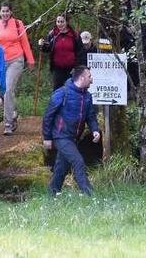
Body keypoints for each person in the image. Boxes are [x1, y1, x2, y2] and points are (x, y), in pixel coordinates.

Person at [42, 66, 101, 196]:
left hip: (74, 137)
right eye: (89, 76)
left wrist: (95, 130)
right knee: (78, 161)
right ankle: (90, 195)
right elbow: (48, 116)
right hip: (60, 136)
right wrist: (47, 138)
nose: (92, 79)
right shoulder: (62, 93)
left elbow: (90, 116)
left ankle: (52, 195)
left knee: (61, 168)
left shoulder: (87, 96)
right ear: (82, 78)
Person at [0, 2, 35, 135]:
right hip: (0, 62)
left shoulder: (17, 24)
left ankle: (8, 124)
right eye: (3, 11)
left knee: (8, 89)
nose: (5, 14)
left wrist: (30, 60)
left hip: (16, 59)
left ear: (11, 12)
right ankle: (13, 113)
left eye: (7, 11)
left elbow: (25, 42)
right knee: (2, 90)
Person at [38, 14, 82, 92]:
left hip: (71, 68)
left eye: (62, 22)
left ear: (67, 22)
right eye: (58, 21)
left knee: (71, 90)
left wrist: (76, 67)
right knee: (57, 91)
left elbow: (80, 52)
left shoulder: (74, 35)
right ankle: (57, 104)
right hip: (57, 68)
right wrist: (42, 45)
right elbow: (47, 49)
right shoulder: (52, 34)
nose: (59, 24)